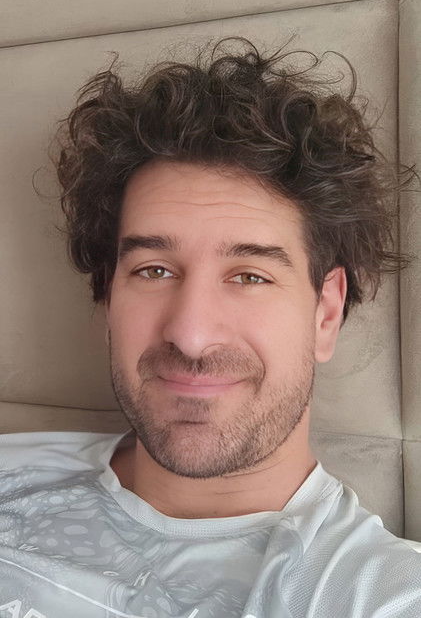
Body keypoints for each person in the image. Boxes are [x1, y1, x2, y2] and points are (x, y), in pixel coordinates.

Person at [0, 36, 419, 618]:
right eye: (153, 270)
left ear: (325, 313)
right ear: (107, 299)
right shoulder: (16, 471)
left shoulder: (372, 591)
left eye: (249, 276)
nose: (191, 336)